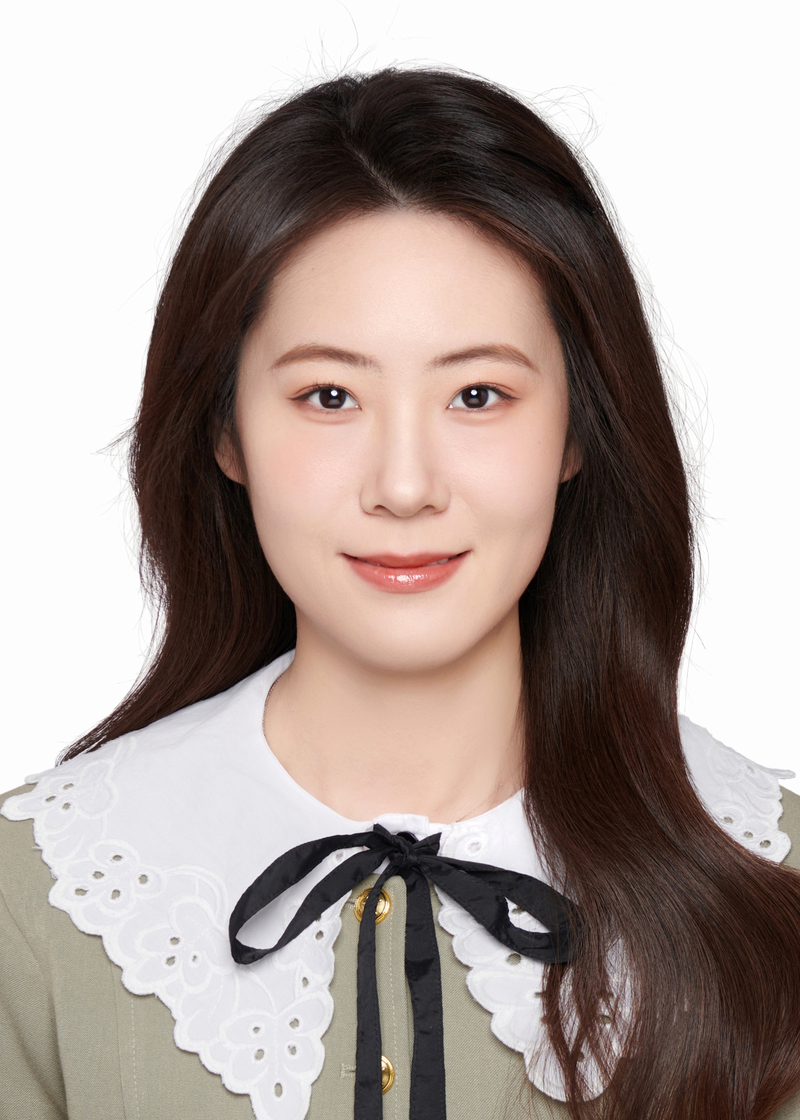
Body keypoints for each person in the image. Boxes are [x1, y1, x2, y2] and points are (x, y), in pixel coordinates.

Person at [1, 67, 799, 1120]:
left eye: (478, 394)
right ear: (225, 430)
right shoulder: (43, 898)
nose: (406, 485)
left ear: (576, 430)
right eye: (329, 395)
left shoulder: (770, 882)